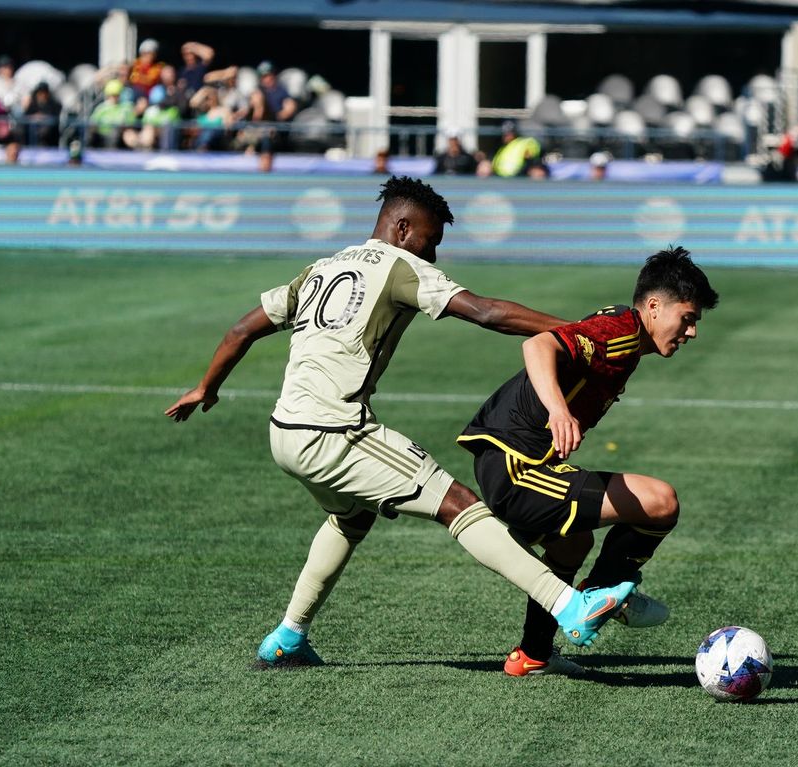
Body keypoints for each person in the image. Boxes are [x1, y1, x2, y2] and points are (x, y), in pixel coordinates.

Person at [164, 176, 636, 668]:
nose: (433, 255)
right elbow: (487, 313)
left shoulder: (322, 267)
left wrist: (206, 388)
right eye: (431, 241)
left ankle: (287, 636)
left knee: (351, 517)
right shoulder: (399, 265)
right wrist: (580, 333)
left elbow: (241, 330)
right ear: (403, 227)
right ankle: (569, 605)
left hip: (284, 430)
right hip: (333, 430)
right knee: (458, 503)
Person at [457, 246, 719, 677]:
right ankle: (604, 594)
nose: (691, 332)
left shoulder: (623, 334)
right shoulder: (620, 331)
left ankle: (533, 655)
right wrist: (558, 411)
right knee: (660, 502)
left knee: (572, 543)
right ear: (654, 306)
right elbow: (538, 345)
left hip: (510, 461)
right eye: (687, 318)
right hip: (515, 467)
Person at [87, 79, 136, 148]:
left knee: (127, 135)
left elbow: (131, 124)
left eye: (116, 95)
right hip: (101, 136)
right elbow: (92, 123)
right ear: (107, 95)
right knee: (90, 135)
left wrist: (123, 126)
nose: (114, 98)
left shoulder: (126, 108)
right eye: (112, 95)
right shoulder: (101, 108)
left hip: (119, 137)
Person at [21, 81, 62, 146]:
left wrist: (44, 117)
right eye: (40, 93)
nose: (42, 95)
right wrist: (34, 117)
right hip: (33, 131)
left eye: (44, 93)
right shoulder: (33, 104)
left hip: (49, 135)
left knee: (47, 130)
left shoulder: (54, 104)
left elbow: (56, 117)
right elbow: (25, 116)